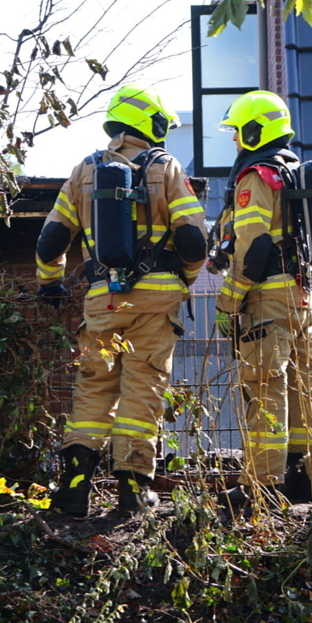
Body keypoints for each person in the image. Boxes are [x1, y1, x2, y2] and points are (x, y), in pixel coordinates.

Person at [35, 84, 208, 517]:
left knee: (94, 388)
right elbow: (192, 239)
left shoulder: (84, 170)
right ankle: (133, 492)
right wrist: (183, 281)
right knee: (142, 388)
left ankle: (74, 489)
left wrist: (50, 283)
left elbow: (51, 238)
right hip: (154, 302)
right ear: (148, 122)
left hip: (102, 302)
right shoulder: (166, 167)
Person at [212, 90, 312, 510]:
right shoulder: (296, 172)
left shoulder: (257, 175)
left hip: (268, 295)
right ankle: (309, 479)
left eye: (239, 133)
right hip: (301, 295)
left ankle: (260, 486)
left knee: (264, 388)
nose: (236, 142)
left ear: (256, 130)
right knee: (302, 387)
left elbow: (255, 246)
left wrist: (229, 300)